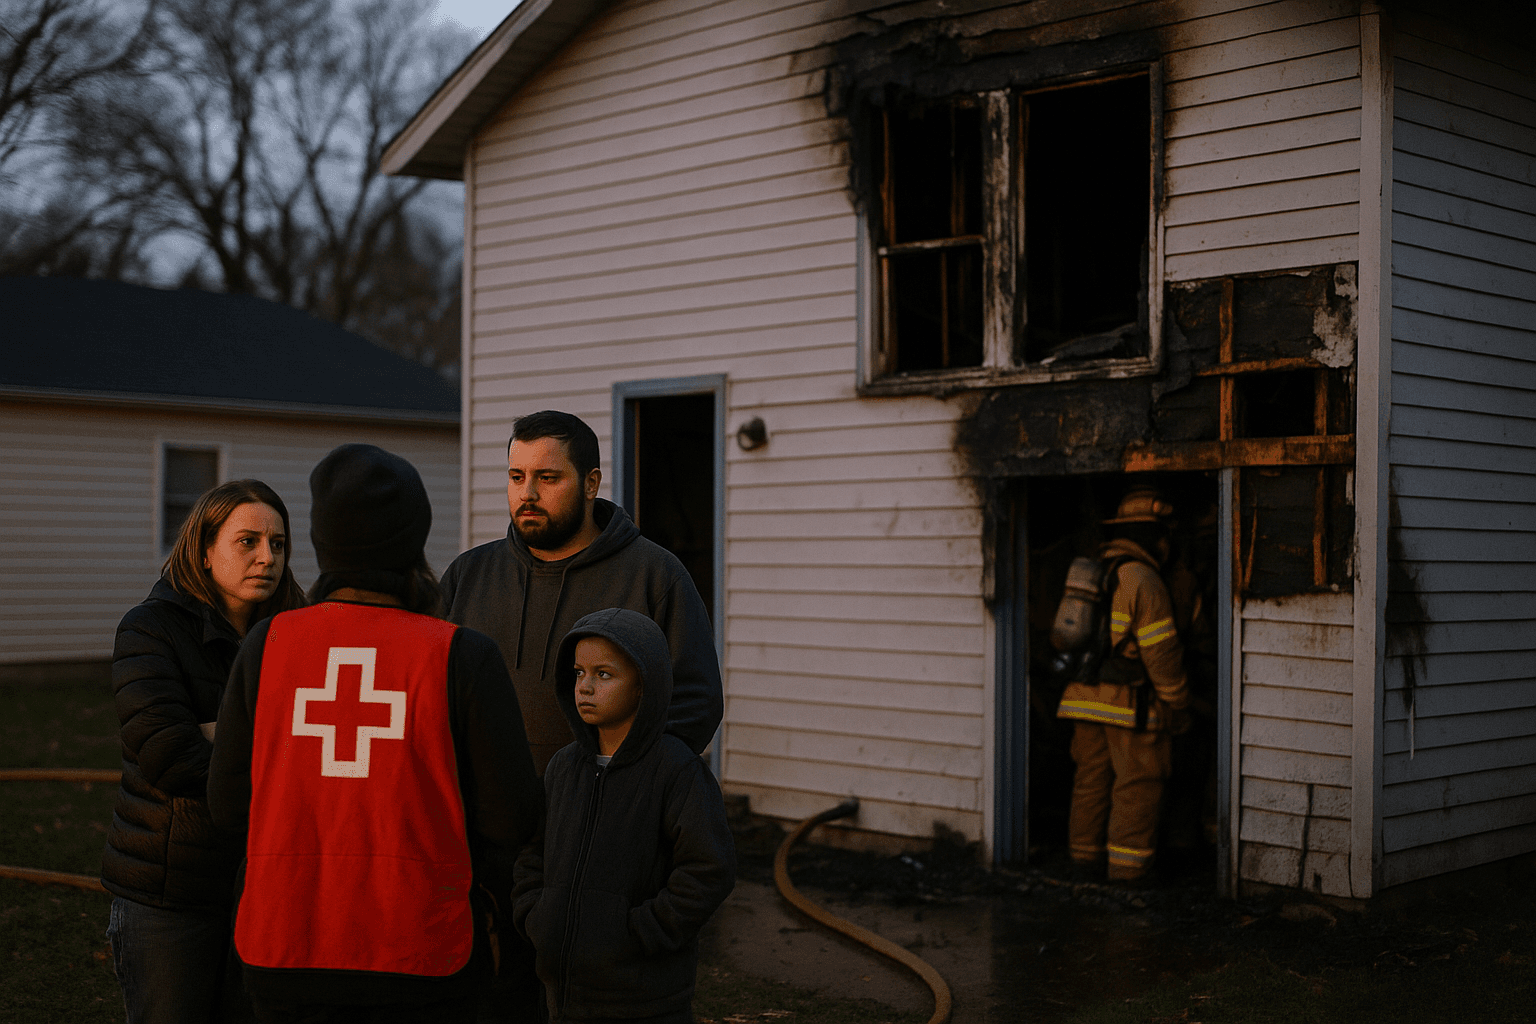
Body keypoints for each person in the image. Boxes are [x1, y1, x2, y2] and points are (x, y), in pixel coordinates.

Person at [207, 444, 543, 1024]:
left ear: (323, 540)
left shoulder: (267, 648)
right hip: (422, 956)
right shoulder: (460, 655)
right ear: (414, 538)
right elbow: (510, 820)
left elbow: (229, 805)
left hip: (283, 951)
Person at [103, 479, 307, 1024]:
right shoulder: (149, 629)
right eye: (248, 541)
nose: (268, 557)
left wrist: (220, 730)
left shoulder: (300, 634)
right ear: (204, 548)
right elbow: (168, 755)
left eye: (279, 544)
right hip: (171, 890)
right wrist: (275, 746)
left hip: (268, 886)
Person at [441, 411, 723, 775]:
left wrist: (623, 783)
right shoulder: (468, 575)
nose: (527, 493)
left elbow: (695, 702)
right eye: (517, 477)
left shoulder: (653, 575)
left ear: (591, 484)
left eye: (548, 478)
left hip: (598, 817)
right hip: (481, 818)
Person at [513, 608, 735, 1024]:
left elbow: (709, 869)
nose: (586, 687)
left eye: (604, 675)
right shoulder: (563, 767)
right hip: (563, 994)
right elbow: (533, 851)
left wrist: (643, 932)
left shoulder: (676, 770)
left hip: (644, 998)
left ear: (642, 686)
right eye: (579, 673)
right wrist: (535, 915)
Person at [1056, 486, 1191, 883]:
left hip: (1081, 698)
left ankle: (1083, 864)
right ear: (1153, 536)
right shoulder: (1143, 579)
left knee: (1090, 782)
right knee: (1137, 784)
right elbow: (1162, 656)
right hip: (1126, 705)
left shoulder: (1095, 570)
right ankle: (1127, 878)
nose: (1168, 546)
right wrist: (1178, 704)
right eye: (1164, 536)